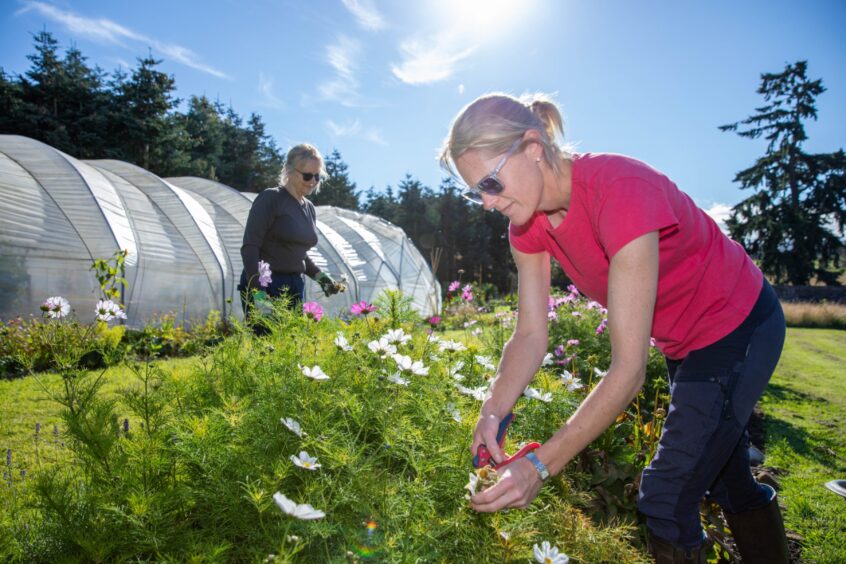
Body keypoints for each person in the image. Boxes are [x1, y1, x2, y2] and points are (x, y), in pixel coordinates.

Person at [439, 93, 790, 564]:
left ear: (533, 147)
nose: (486, 202)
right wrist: (492, 411)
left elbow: (627, 371)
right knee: (723, 472)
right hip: (685, 343)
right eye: (474, 190)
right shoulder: (526, 226)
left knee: (667, 494)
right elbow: (529, 335)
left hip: (739, 325)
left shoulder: (619, 189)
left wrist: (539, 466)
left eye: (490, 182)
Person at [239, 143, 339, 326]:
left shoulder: (309, 208)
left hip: (294, 285)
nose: (313, 181)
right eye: (307, 175)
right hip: (267, 283)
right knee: (266, 345)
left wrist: (321, 277)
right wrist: (258, 292)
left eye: (317, 176)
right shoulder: (271, 199)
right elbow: (250, 248)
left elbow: (297, 253)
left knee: (289, 346)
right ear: (290, 171)